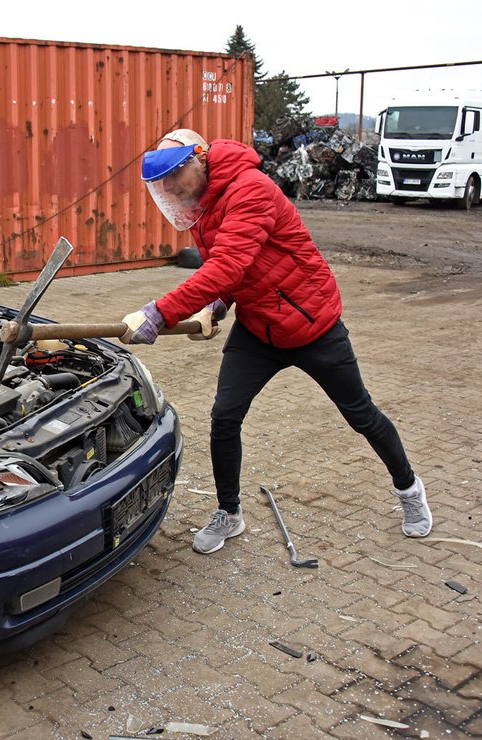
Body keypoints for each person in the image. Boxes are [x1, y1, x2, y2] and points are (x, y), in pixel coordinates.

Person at [121, 129, 432, 554]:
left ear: (202, 159)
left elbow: (228, 264)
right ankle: (229, 514)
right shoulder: (203, 208)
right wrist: (216, 305)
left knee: (360, 413)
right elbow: (235, 269)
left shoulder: (251, 189)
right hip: (260, 328)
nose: (171, 189)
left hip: (312, 324)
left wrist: (160, 312)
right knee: (225, 417)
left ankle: (410, 491)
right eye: (163, 185)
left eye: (176, 177)